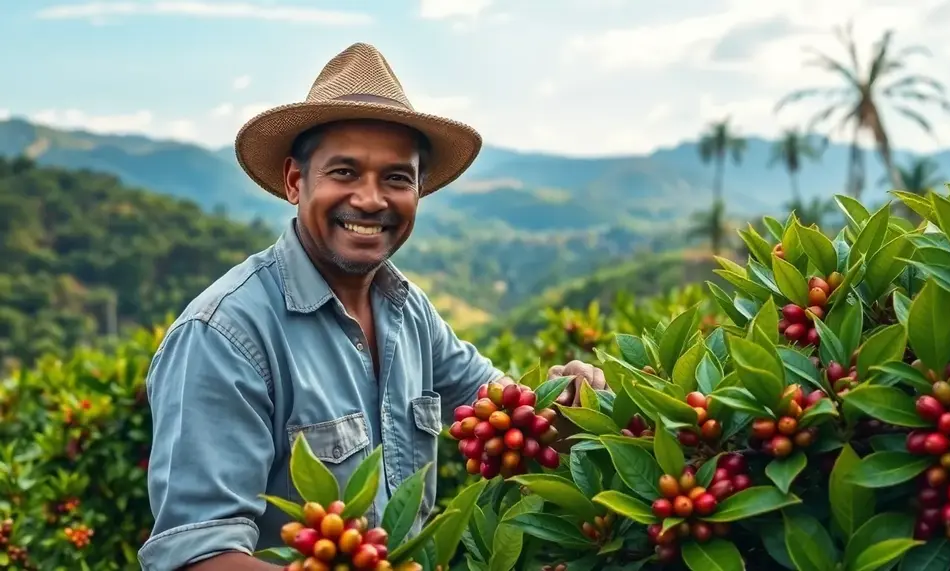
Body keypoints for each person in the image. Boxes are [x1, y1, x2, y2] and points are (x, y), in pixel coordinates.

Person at [137, 43, 607, 571]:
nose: (370, 199)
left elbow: (507, 423)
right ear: (296, 180)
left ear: (418, 191)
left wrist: (572, 404)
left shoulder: (410, 313)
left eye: (396, 178)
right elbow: (197, 557)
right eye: (343, 172)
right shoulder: (223, 335)